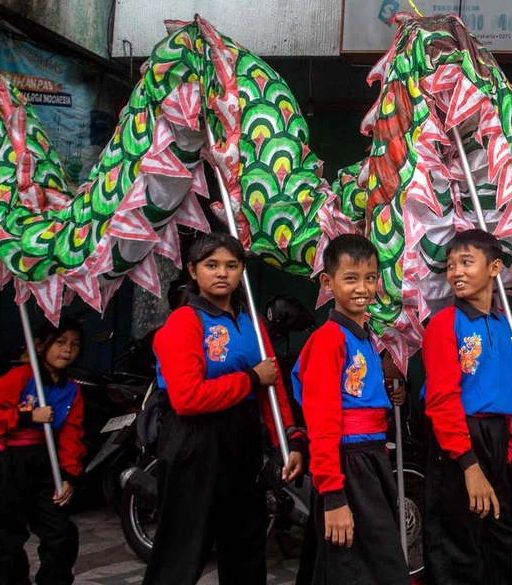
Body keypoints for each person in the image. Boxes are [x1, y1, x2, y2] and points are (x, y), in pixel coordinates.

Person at [143, 232, 305, 585]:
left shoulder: (252, 324)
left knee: (246, 546)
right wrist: (250, 379)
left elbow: (271, 388)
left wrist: (287, 440)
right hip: (193, 443)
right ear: (193, 270)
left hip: (242, 442)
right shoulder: (184, 322)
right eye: (211, 265)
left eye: (232, 265)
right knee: (182, 551)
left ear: (242, 271)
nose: (222, 273)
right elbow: (187, 398)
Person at [421, 229, 512, 584]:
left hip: (499, 437)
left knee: (499, 538)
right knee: (459, 544)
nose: (455, 271)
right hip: (457, 441)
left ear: (494, 267)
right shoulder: (443, 324)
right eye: (451, 265)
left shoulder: (510, 326)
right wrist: (468, 465)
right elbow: (442, 400)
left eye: (466, 262)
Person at [291, 234, 409, 585]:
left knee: (347, 565)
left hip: (369, 458)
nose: (363, 288)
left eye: (370, 278)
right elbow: (323, 421)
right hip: (347, 462)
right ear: (328, 282)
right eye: (351, 278)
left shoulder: (364, 335)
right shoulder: (328, 340)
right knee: (371, 568)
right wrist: (334, 496)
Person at [0, 317, 86, 585]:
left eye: (75, 344)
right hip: (8, 464)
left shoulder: (72, 390)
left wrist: (69, 475)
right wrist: (27, 417)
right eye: (60, 342)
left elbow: (72, 436)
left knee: (60, 533)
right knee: (7, 539)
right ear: (39, 345)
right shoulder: (20, 377)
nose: (67, 350)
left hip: (45, 464)